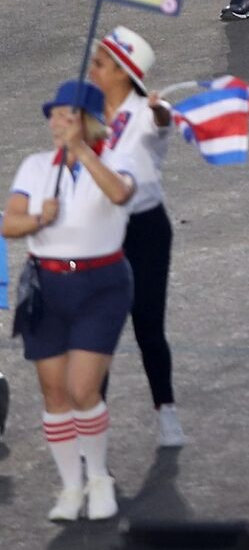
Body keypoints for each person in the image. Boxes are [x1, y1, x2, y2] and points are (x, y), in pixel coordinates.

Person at [7, 79, 137, 522]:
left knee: (84, 388)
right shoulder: (35, 166)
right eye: (53, 114)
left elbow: (121, 193)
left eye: (67, 114)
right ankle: (70, 486)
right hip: (48, 286)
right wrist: (36, 220)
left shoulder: (116, 160)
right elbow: (9, 224)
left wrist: (82, 154)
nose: (56, 122)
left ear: (89, 123)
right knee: (55, 392)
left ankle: (99, 477)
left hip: (102, 286)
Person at [81, 30, 181, 451]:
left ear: (124, 73)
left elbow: (165, 122)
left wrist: (159, 111)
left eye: (102, 63)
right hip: (99, 230)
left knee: (147, 326)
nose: (93, 69)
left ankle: (166, 412)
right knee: (97, 330)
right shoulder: (84, 113)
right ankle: (93, 425)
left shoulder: (146, 111)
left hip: (144, 230)